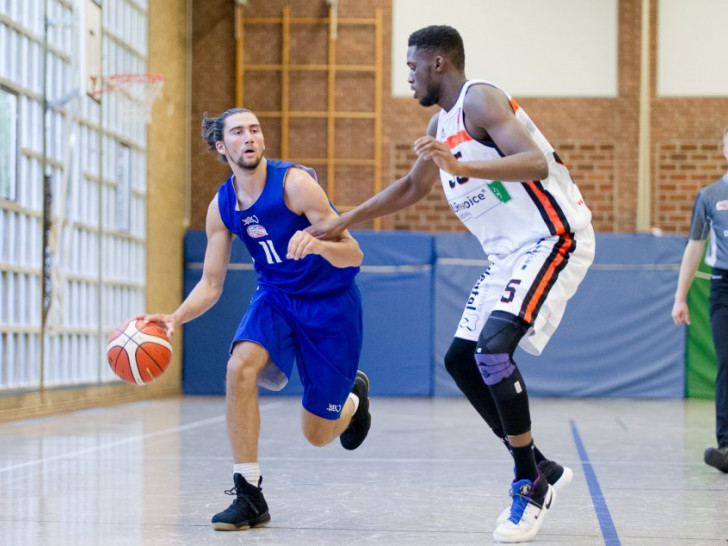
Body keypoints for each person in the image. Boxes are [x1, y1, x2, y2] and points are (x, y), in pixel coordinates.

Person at [308, 25, 595, 543]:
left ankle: (528, 482)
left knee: (493, 353)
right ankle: (540, 465)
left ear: (438, 64)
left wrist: (461, 164)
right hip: (508, 256)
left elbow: (534, 161)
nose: (409, 77)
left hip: (552, 237)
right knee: (461, 361)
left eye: (412, 66)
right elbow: (412, 187)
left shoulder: (478, 100)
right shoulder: (442, 125)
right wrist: (342, 219)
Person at [140, 107, 372, 531]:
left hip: (330, 305)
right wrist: (174, 318)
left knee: (317, 435)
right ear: (221, 146)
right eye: (238, 132)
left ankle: (353, 401)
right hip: (276, 297)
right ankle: (249, 492)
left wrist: (320, 246)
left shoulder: (296, 184)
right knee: (239, 366)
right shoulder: (222, 206)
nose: (249, 138)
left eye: (255, 130)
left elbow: (354, 253)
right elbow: (211, 284)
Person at [672, 125, 728, 473]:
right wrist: (680, 297)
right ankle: (726, 445)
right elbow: (695, 246)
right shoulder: (710, 196)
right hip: (723, 287)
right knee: (727, 362)